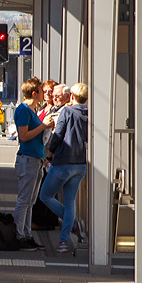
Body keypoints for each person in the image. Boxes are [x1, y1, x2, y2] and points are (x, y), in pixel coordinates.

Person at [39, 81, 89, 255]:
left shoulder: (67, 111)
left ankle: (73, 224)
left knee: (45, 195)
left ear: (72, 96)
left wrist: (49, 155)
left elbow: (58, 135)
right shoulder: (89, 113)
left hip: (62, 163)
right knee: (69, 202)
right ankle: (62, 241)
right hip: (80, 164)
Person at [12, 77, 53, 250]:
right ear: (35, 93)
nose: (45, 94)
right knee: (24, 200)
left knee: (30, 201)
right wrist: (43, 126)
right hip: (27, 159)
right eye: (43, 91)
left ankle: (27, 234)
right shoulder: (23, 111)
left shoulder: (32, 110)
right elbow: (23, 136)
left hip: (35, 160)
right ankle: (19, 235)